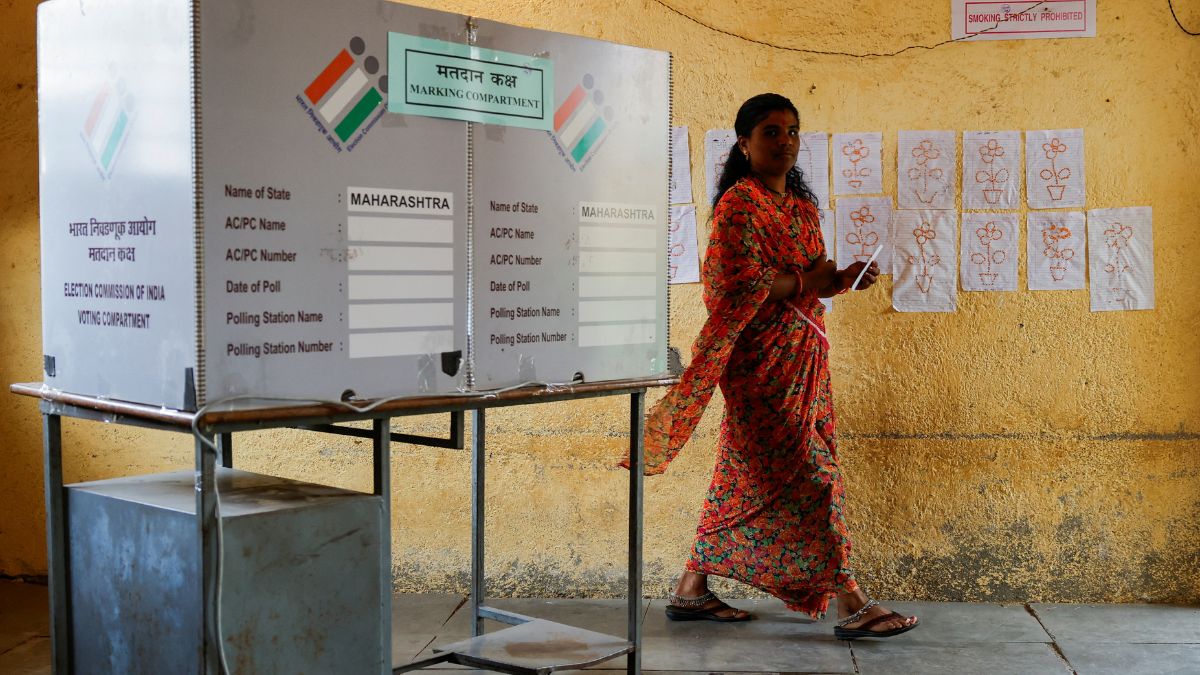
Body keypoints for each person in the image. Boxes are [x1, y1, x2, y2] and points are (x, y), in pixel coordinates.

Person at [626, 93, 917, 640]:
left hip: (804, 360)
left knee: (743, 475)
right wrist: (808, 283)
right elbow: (732, 287)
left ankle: (692, 589)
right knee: (815, 478)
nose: (784, 142)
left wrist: (845, 277)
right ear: (744, 143)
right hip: (759, 366)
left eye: (791, 131)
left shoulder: (802, 209)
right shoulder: (739, 205)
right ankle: (851, 601)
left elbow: (812, 277)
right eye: (770, 132)